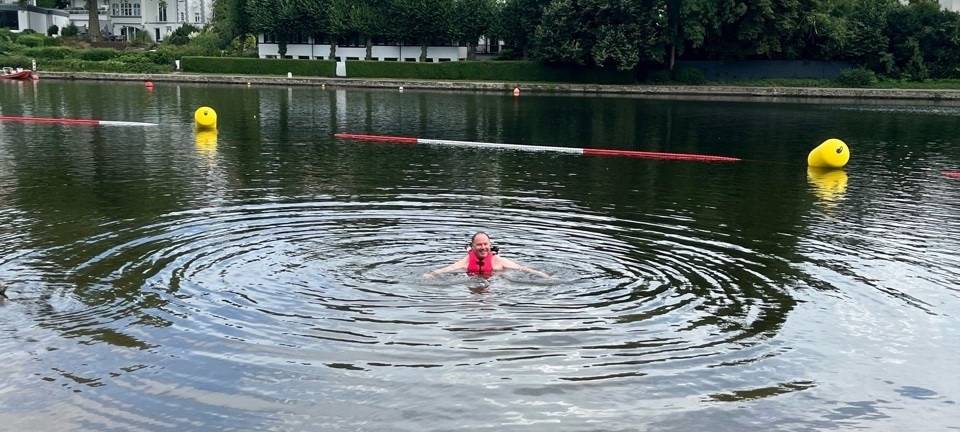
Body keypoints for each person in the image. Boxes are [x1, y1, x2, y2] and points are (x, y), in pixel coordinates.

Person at [424, 232, 551, 279]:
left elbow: (523, 269)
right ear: (473, 247)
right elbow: (449, 268)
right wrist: (431, 274)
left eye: (486, 244)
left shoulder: (499, 261)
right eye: (479, 245)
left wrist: (545, 276)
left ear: (490, 245)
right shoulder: (465, 262)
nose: (483, 247)